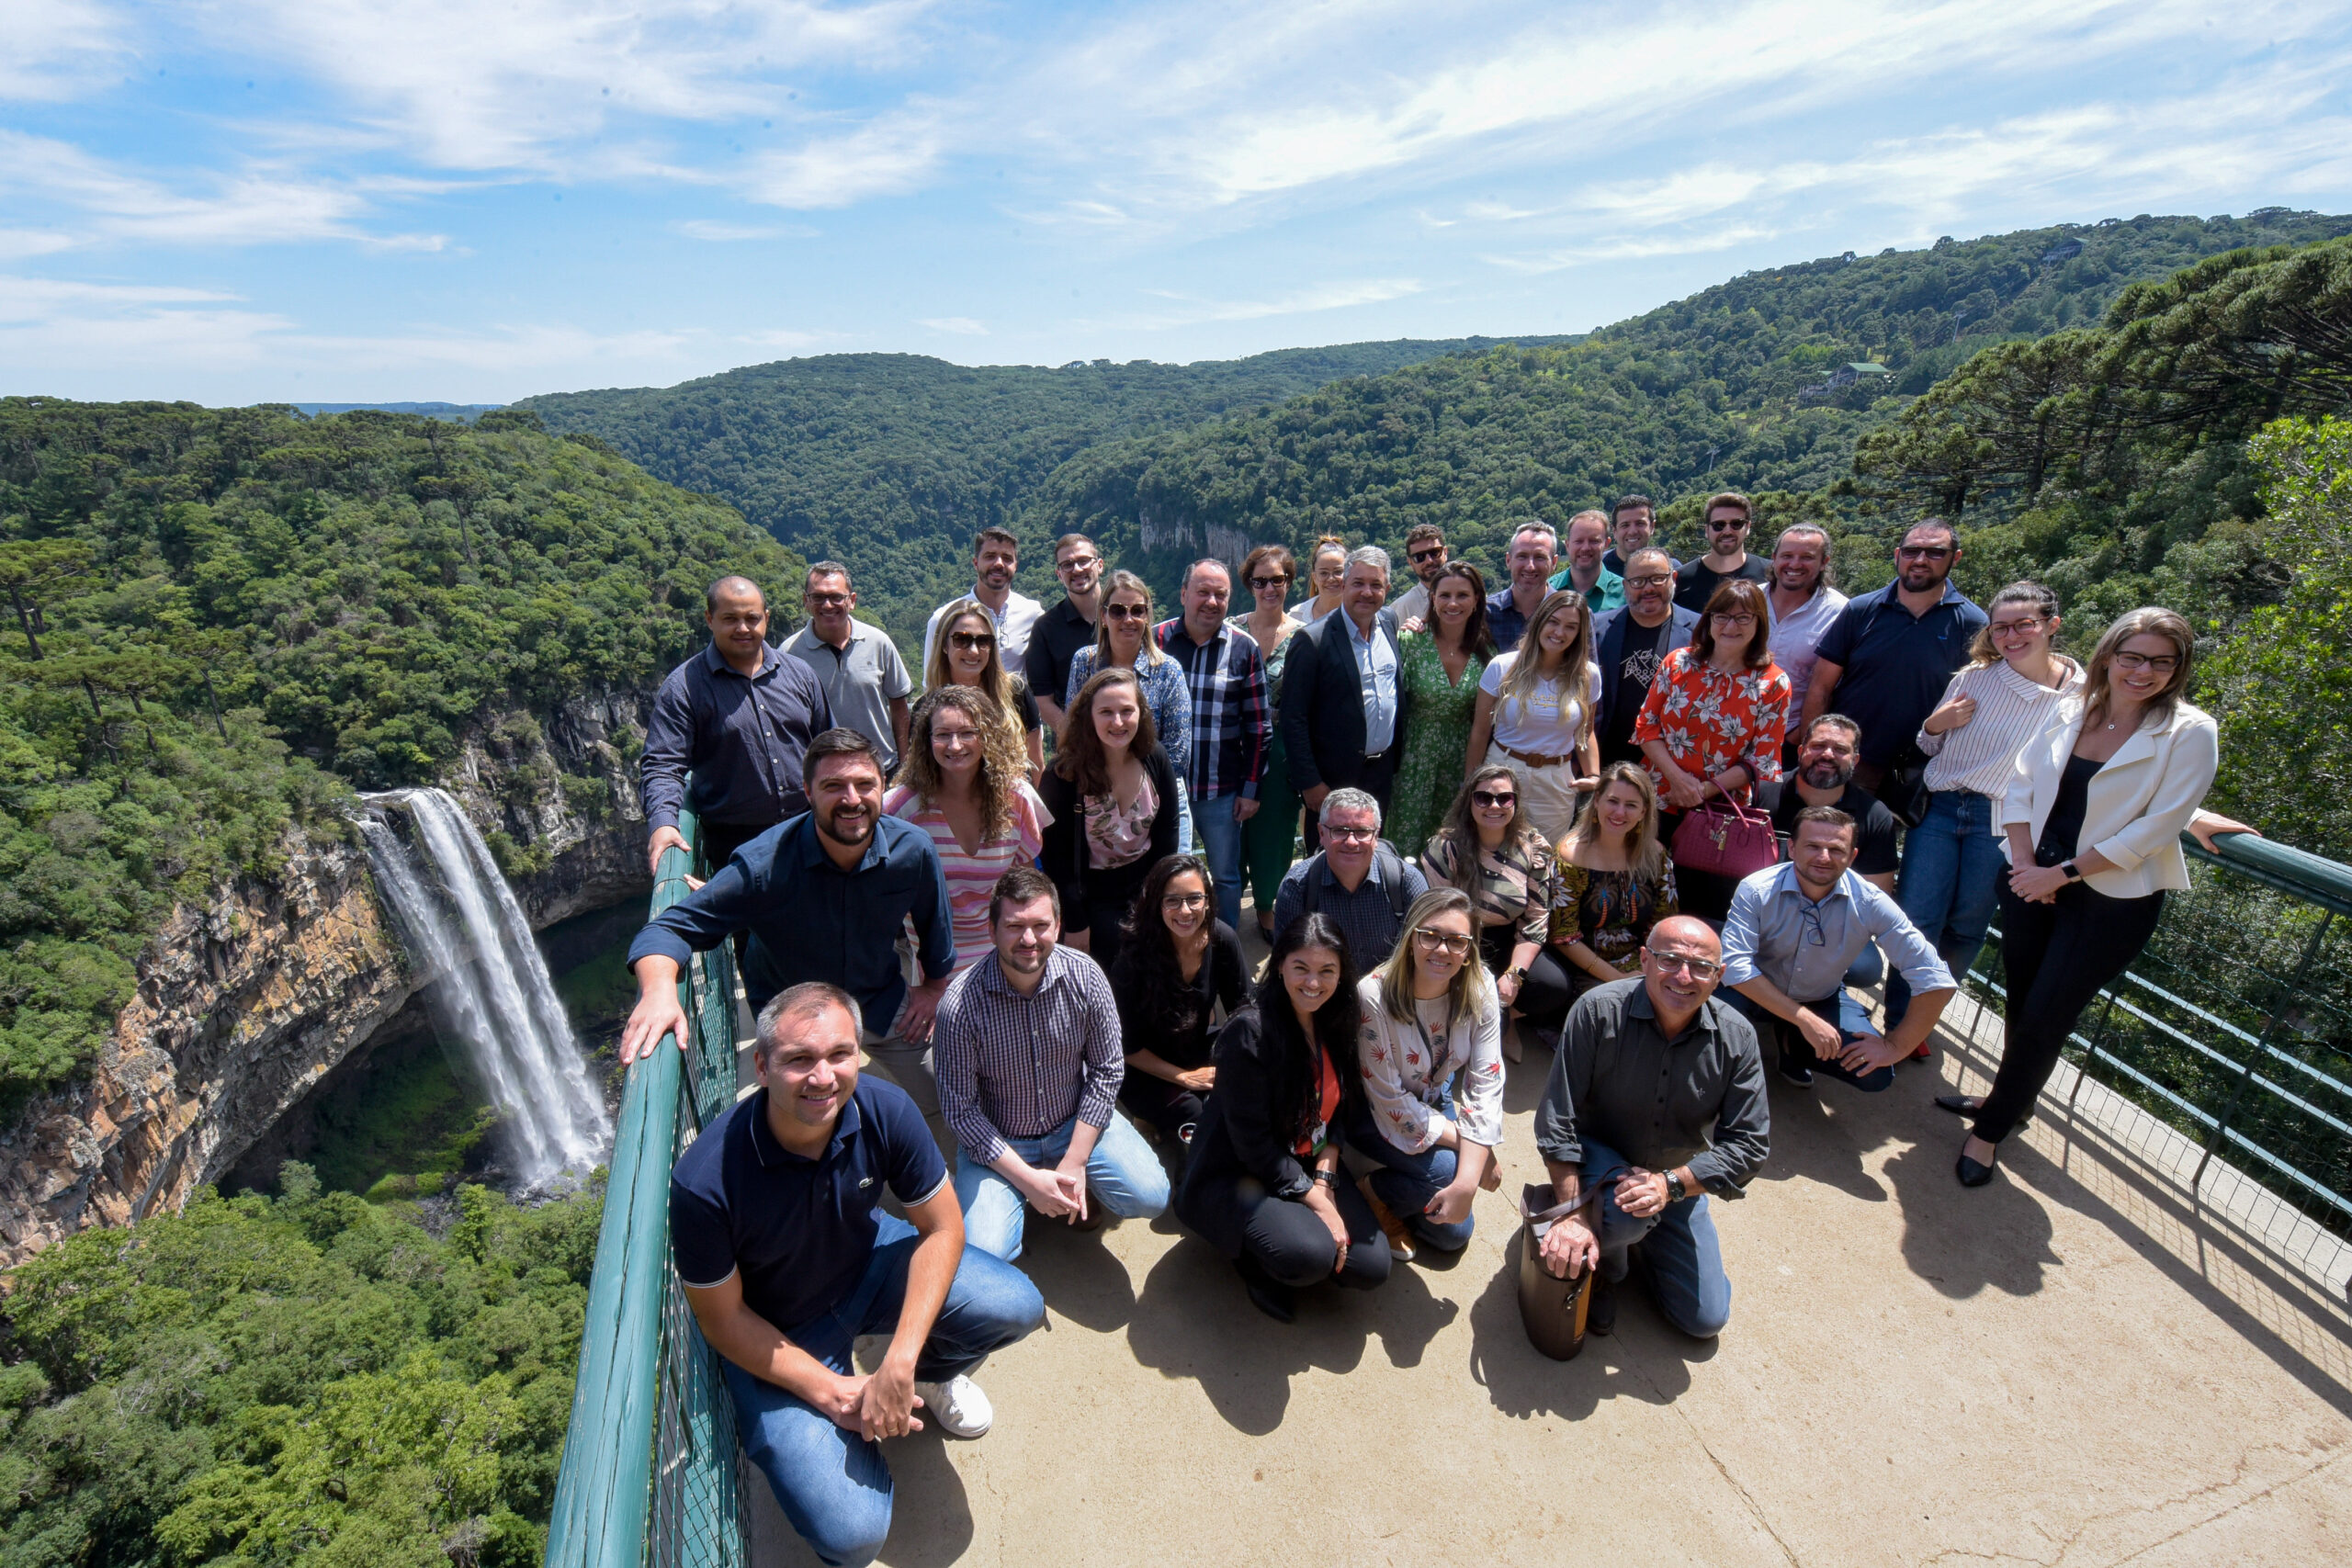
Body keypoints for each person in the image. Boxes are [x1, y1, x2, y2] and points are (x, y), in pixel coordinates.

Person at [671, 982, 1045, 1568]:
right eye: (799, 1059)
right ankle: (858, 1418)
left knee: (1015, 1304)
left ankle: (923, 1381)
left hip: (868, 1266)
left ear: (859, 1055)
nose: (824, 1077)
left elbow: (943, 1230)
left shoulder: (881, 1108)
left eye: (840, 1054)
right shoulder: (705, 1182)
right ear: (762, 1066)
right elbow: (723, 1321)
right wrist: (831, 1390)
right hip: (779, 1329)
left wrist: (898, 1361)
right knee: (854, 1536)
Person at [1950, 608, 2217, 1188]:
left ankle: (1988, 1133)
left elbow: (2154, 828)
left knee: (2048, 1016)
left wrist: (2060, 874)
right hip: (2030, 878)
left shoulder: (2190, 732)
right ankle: (2011, 1103)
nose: (2143, 672)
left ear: (2178, 669)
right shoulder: (2072, 708)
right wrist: (2024, 864)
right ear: (2108, 656)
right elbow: (2019, 783)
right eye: (2132, 657)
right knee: (2021, 1002)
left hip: (2107, 898)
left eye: (2160, 662)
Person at [623, 729, 956, 1069]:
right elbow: (667, 930)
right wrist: (659, 992)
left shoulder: (912, 849)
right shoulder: (762, 867)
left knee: (944, 1091)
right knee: (815, 1106)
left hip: (878, 1000)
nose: (852, 799)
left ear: (883, 785)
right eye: (833, 786)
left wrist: (932, 989)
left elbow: (935, 929)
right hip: (793, 1016)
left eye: (864, 784)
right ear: (808, 792)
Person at [1532, 917, 1769, 1340]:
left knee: (1705, 1320)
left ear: (1720, 977)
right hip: (1598, 1160)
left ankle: (1635, 1231)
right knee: (1625, 1214)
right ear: (1644, 959)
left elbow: (1749, 1145)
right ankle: (1605, 1263)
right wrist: (1574, 1214)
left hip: (1676, 1178)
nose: (1683, 976)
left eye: (1700, 967)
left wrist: (1672, 1185)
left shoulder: (1738, 1038)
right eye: (1669, 959)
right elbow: (1556, 1121)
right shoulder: (1597, 1010)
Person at [931, 866, 1170, 1261]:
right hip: (1002, 1140)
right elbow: (961, 1113)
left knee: (1150, 1196)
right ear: (992, 932)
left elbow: (1107, 1070)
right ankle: (1026, 1195)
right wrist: (1029, 1182)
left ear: (1058, 927)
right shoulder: (959, 1006)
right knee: (985, 1252)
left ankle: (1072, 1180)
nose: (1029, 939)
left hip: (1071, 1122)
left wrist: (1075, 1160)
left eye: (1040, 925)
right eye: (1014, 926)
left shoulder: (1087, 976)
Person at [1175, 913, 1392, 1322]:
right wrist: (1321, 1205)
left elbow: (1341, 1107)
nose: (1314, 983)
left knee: (1371, 1267)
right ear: (1279, 965)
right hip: (1239, 1172)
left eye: (1327, 970)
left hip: (1308, 1154)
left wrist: (1326, 1178)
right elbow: (1254, 1146)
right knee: (1310, 1255)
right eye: (1301, 968)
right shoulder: (1250, 1032)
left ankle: (1298, 1238)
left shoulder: (1338, 1016)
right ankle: (1254, 1260)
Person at [1886, 581, 2083, 1031]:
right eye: (2000, 629)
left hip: (2004, 822)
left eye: (2024, 625)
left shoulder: (2083, 697)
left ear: (2052, 625)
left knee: (1967, 927)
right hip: (1940, 809)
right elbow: (1927, 746)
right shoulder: (1973, 678)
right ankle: (1898, 1022)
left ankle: (1921, 1020)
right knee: (1916, 921)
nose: (2011, 637)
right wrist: (1936, 724)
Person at [1721, 808, 1955, 1091]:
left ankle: (1793, 1044)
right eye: (1813, 846)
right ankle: (1781, 1032)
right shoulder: (1756, 889)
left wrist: (1895, 1047)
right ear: (1792, 848)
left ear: (1852, 856)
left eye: (1836, 849)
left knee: (1874, 1074)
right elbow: (1735, 966)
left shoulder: (1870, 901)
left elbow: (1936, 980)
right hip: (1752, 992)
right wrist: (1803, 1018)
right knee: (1703, 1027)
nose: (1823, 857)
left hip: (1819, 997)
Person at [1348, 888, 1504, 1259]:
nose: (1442, 949)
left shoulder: (1481, 986)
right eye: (1430, 935)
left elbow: (1487, 1081)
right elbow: (1389, 1101)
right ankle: (1370, 1190)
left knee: (1452, 1235)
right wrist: (1474, 1147)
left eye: (1456, 941)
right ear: (1411, 938)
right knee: (1448, 1172)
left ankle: (1401, 1186)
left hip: (1434, 1096)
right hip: (1372, 1110)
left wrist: (1468, 1178)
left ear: (1469, 951)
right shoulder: (1373, 995)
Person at [642, 574, 834, 874]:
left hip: (809, 831)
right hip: (734, 846)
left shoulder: (800, 675)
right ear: (709, 618)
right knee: (749, 923)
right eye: (730, 618)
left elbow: (829, 747)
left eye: (752, 618)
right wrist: (663, 823)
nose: (743, 628)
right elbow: (662, 765)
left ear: (766, 618)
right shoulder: (684, 687)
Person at [1633, 578, 1791, 920]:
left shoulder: (1773, 683)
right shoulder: (1678, 663)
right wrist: (1678, 781)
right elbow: (1646, 726)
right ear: (1709, 620)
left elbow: (1760, 760)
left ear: (1759, 623)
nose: (1730, 626)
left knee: (1703, 905)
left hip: (1720, 814)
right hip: (1658, 798)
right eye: (1722, 616)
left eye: (1743, 618)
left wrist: (1702, 790)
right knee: (1647, 892)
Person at [1802, 517, 1988, 794]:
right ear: (1898, 555)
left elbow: (1977, 701)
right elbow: (1821, 686)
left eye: (1935, 552)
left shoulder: (1972, 623)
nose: (1921, 560)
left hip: (1921, 771)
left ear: (1955, 558)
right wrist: (1810, 750)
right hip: (1850, 762)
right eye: (1912, 551)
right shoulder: (1860, 610)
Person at [884, 687, 1052, 973]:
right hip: (933, 961)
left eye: (967, 733)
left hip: (1005, 952)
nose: (955, 745)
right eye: (943, 734)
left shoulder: (1018, 798)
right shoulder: (898, 808)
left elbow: (1027, 885)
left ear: (986, 736)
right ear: (927, 740)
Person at [1420, 765, 1575, 1060]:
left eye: (1505, 798)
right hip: (1459, 940)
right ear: (1469, 802)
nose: (1494, 805)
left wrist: (1514, 977)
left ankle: (1508, 1018)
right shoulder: (1445, 847)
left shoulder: (1533, 846)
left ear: (1515, 803)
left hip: (1509, 939)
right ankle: (1485, 1025)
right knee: (1466, 993)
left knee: (1554, 985)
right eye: (1483, 798)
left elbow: (1535, 920)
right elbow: (1436, 916)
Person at [1037, 667, 1182, 975]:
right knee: (1114, 966)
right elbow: (1055, 857)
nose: (1118, 722)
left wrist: (1163, 897)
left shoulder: (1153, 757)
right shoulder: (1064, 775)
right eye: (1106, 712)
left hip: (1147, 886)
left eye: (1126, 711)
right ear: (1088, 716)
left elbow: (1168, 832)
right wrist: (1075, 922)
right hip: (1090, 896)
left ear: (1140, 714)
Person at [1155, 559, 1269, 932]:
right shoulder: (1156, 642)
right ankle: (1176, 947)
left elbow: (1258, 727)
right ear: (1184, 594)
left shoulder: (1243, 648)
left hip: (1220, 788)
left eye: (1220, 594)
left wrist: (1250, 790)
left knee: (1226, 877)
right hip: (1162, 791)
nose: (1211, 601)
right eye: (1203, 592)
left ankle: (1224, 947)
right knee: (1171, 878)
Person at [1106, 854, 1247, 1145]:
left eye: (1195, 899)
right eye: (1172, 901)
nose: (1185, 911)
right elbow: (1126, 1047)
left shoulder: (1222, 940)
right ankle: (1149, 1117)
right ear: (1156, 904)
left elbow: (1245, 1012)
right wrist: (1184, 1078)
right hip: (1144, 1069)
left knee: (1245, 1096)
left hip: (1197, 1047)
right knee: (1200, 1118)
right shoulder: (1133, 959)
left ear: (1208, 901)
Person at [1278, 547, 1408, 836]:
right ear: (1344, 584)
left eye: (1376, 585)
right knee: (1328, 860)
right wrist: (1310, 782)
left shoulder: (1389, 622)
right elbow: (1293, 717)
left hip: (1381, 772)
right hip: (1331, 778)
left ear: (1387, 589)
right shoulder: (1312, 640)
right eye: (1358, 583)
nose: (1366, 592)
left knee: (1371, 851)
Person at [1065, 570, 1193, 852]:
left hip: (1161, 795)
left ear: (1147, 616)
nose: (1128, 619)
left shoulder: (1167, 670)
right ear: (1103, 615)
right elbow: (1073, 734)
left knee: (1169, 885)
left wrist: (1140, 792)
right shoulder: (1084, 663)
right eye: (1118, 611)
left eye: (1137, 610)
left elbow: (1178, 752)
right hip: (1095, 797)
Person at [1467, 588, 1600, 846]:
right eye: (1553, 621)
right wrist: (1470, 785)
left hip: (1555, 780)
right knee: (1492, 854)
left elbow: (1585, 732)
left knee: (1545, 860)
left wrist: (1593, 775)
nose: (1559, 632)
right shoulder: (1503, 666)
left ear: (1580, 633)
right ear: (1540, 620)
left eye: (1571, 627)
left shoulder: (1588, 674)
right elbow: (1480, 731)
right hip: (1503, 773)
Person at [1386, 561, 1494, 858]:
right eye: (1444, 595)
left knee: (1452, 849)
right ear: (1432, 598)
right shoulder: (1410, 641)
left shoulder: (1487, 653)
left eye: (1462, 595)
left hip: (1463, 763)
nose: (1453, 603)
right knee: (1404, 846)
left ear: (1476, 601)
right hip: (1411, 763)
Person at [1550, 761, 1681, 1001]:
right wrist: (1617, 979)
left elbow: (1664, 923)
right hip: (1584, 964)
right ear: (1597, 800)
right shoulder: (1571, 855)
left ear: (1643, 812)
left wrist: (1651, 968)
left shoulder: (1655, 855)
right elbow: (1564, 935)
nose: (1620, 813)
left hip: (1642, 961)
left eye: (1631, 805)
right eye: (1613, 801)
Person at [1230, 544, 1306, 942]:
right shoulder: (1230, 629)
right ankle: (1226, 902)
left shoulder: (1304, 637)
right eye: (1260, 581)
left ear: (1289, 582)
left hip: (1278, 747)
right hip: (1231, 742)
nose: (1269, 588)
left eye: (1277, 580)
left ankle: (1266, 904)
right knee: (1229, 826)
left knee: (1274, 829)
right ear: (1249, 585)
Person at [1272, 788, 1430, 973]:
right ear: (1321, 834)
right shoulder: (1297, 887)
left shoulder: (1406, 882)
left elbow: (1423, 958)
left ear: (1376, 836)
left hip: (1388, 991)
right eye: (1339, 831)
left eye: (1362, 831)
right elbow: (1286, 964)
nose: (1352, 841)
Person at [782, 562, 913, 778]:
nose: (827, 605)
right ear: (806, 601)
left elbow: (899, 707)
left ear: (851, 600)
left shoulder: (878, 642)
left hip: (882, 769)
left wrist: (905, 766)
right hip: (824, 773)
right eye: (818, 597)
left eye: (836, 597)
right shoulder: (789, 654)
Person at [1590, 547, 1699, 769]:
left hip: (1674, 768)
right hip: (1606, 762)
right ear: (1625, 586)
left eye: (1658, 579)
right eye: (1638, 581)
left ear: (1674, 579)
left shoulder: (1701, 632)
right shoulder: (1596, 629)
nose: (1649, 588)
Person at [925, 597, 1045, 777]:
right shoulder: (927, 707)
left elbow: (1036, 766)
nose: (973, 650)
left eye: (983, 641)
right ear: (944, 645)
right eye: (962, 640)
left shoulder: (1016, 694)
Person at [1762, 525, 1848, 762]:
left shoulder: (1840, 612)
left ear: (1824, 562)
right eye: (1787, 556)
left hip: (1791, 742)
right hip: (1733, 732)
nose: (1795, 564)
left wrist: (1800, 736)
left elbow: (1835, 686)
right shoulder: (1749, 600)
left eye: (1807, 557)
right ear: (1774, 558)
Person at [922, 526, 1043, 677]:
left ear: (1016, 566)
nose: (999, 564)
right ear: (975, 563)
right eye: (990, 556)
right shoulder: (944, 618)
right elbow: (931, 681)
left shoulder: (1034, 615)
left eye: (1007, 558)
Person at [1024, 532, 1104, 734]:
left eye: (1084, 561)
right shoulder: (1046, 628)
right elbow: (1042, 699)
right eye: (1067, 565)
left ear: (1100, 565)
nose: (1077, 569)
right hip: (1074, 746)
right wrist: (1076, 737)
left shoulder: (1125, 615)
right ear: (1059, 574)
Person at [1673, 491, 1773, 613]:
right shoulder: (1680, 580)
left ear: (1748, 527)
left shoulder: (1770, 575)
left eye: (1736, 524)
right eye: (1718, 525)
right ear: (1707, 530)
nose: (1727, 531)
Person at [1485, 521, 1560, 652]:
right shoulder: (1485, 613)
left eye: (1540, 557)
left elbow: (1586, 670)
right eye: (1522, 556)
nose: (1530, 566)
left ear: (1554, 563)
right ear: (1508, 560)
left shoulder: (1572, 615)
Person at [1546, 509, 1625, 614]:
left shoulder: (1625, 593)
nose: (1585, 548)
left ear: (1606, 544)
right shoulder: (1549, 591)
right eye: (1579, 541)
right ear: (1568, 545)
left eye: (1594, 541)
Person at [1390, 521, 1450, 625]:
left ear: (1445, 552)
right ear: (1410, 562)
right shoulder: (1400, 609)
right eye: (1419, 557)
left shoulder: (1468, 596)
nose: (1429, 561)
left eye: (1434, 553)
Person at [1602, 493, 1671, 577]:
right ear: (1614, 531)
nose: (1632, 531)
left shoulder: (1668, 569)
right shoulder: (1597, 569)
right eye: (1625, 525)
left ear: (1652, 527)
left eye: (1640, 524)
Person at [1293, 535, 1349, 624]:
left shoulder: (1362, 615)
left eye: (1338, 572)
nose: (1331, 579)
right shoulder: (1296, 617)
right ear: (1314, 577)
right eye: (1324, 573)